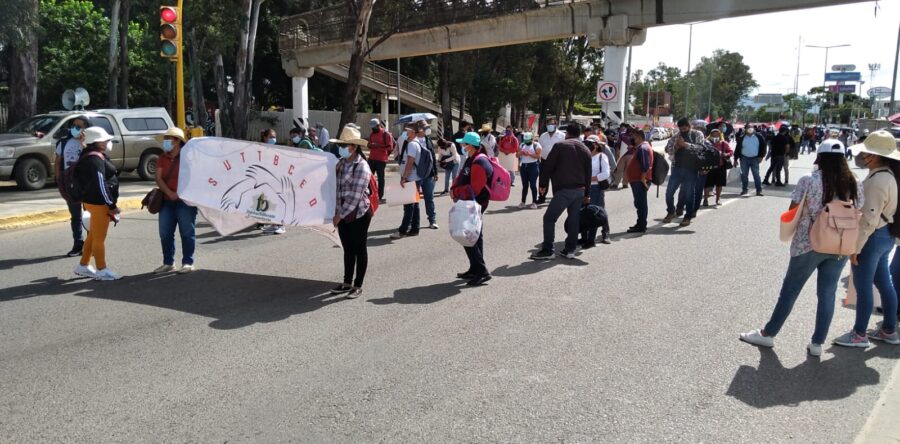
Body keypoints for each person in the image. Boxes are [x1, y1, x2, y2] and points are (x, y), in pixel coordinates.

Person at [740, 141, 863, 357]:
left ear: (820, 156)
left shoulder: (810, 179)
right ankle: (817, 343)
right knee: (827, 294)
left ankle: (768, 334)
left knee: (790, 291)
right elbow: (858, 209)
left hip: (809, 243)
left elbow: (793, 209)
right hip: (840, 245)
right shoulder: (854, 182)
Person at [834, 131, 900, 347]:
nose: (862, 156)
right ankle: (889, 329)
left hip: (871, 237)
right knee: (884, 283)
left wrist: (855, 248)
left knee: (863, 287)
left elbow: (868, 219)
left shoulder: (878, 179)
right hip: (884, 235)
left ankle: (859, 333)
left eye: (867, 152)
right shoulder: (887, 175)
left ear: (875, 156)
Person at [530, 123, 592, 260]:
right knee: (574, 219)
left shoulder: (560, 146)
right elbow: (588, 174)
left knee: (549, 218)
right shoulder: (586, 150)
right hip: (580, 190)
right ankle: (570, 250)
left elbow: (548, 167)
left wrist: (543, 184)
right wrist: (587, 194)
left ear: (567, 133)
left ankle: (548, 249)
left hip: (564, 189)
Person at [73, 127, 121, 281]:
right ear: (96, 142)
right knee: (99, 238)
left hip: (91, 202)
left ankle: (84, 265)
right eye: (104, 139)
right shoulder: (94, 159)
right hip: (99, 204)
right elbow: (101, 183)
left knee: (93, 235)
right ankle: (102, 269)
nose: (107, 142)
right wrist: (111, 206)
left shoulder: (88, 154)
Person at [330, 126, 373, 299]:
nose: (340, 148)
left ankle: (358, 285)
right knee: (348, 249)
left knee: (359, 248)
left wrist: (339, 215)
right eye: (340, 144)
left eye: (343, 145)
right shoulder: (341, 163)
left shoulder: (362, 167)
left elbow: (355, 197)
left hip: (359, 213)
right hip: (343, 212)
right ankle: (347, 282)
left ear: (353, 147)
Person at [451, 132, 494, 286]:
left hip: (474, 202)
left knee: (467, 236)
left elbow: (474, 188)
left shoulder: (479, 162)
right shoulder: (472, 158)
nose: (461, 146)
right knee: (475, 236)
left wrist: (456, 191)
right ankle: (475, 268)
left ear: (470, 145)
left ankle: (482, 272)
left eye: (464, 143)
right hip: (470, 202)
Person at [153, 127, 198, 274]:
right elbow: (158, 178)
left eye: (169, 139)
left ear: (177, 141)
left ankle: (188, 262)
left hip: (185, 201)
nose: (166, 142)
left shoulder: (189, 157)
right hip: (167, 201)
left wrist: (180, 194)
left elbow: (195, 177)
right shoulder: (162, 158)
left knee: (187, 232)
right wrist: (169, 192)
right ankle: (168, 263)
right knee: (165, 233)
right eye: (165, 139)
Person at [55, 115, 90, 256]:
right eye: (74, 125)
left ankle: (91, 243)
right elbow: (58, 162)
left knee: (89, 215)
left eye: (80, 126)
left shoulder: (90, 143)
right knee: (75, 216)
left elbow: (93, 158)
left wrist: (84, 144)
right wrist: (59, 180)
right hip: (70, 184)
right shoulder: (63, 143)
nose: (76, 128)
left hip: (87, 183)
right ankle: (78, 244)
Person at [663, 118, 707, 227]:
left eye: (685, 127)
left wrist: (686, 145)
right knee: (669, 193)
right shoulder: (676, 136)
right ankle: (670, 211)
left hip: (692, 169)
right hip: (677, 168)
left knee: (689, 194)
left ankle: (688, 216)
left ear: (690, 125)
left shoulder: (697, 134)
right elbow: (668, 149)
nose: (683, 130)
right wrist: (676, 146)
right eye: (681, 128)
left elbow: (701, 148)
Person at [391, 124, 424, 239]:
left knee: (409, 205)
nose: (406, 133)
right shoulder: (415, 143)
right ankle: (415, 228)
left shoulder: (412, 145)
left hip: (411, 178)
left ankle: (402, 231)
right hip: (415, 177)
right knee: (414, 204)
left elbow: (410, 162)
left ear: (414, 133)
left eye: (408, 131)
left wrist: (404, 177)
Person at [581, 135, 611, 247]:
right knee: (583, 211)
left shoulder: (601, 157)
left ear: (596, 145)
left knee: (595, 212)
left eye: (590, 143)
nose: (587, 145)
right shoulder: (584, 156)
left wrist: (590, 178)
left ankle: (593, 238)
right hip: (583, 187)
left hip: (595, 188)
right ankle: (584, 237)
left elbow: (605, 174)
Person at [258, 129, 287, 235]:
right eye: (270, 137)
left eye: (274, 136)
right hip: (266, 180)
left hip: (276, 179)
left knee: (278, 202)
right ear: (265, 138)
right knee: (270, 203)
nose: (273, 139)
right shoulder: (262, 149)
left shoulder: (277, 149)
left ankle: (281, 225)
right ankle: (274, 224)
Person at [625, 129, 653, 234]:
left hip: (639, 181)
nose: (632, 138)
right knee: (639, 203)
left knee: (641, 204)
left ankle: (641, 225)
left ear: (640, 136)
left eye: (634, 136)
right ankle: (640, 223)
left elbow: (645, 165)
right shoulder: (641, 147)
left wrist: (642, 179)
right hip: (637, 180)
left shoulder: (643, 148)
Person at [703, 129, 733, 207]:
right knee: (707, 184)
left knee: (719, 184)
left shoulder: (724, 143)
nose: (715, 136)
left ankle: (718, 199)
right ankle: (705, 199)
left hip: (720, 166)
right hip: (709, 167)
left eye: (717, 134)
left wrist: (726, 154)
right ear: (711, 135)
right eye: (714, 134)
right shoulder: (706, 143)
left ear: (720, 135)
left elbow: (731, 152)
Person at [735, 124, 767, 197]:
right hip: (744, 158)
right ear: (745, 129)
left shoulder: (759, 137)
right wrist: (735, 159)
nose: (750, 128)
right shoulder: (742, 137)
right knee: (744, 175)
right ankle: (744, 190)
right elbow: (737, 149)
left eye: (751, 127)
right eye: (748, 127)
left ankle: (759, 190)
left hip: (755, 159)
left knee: (756, 175)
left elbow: (763, 147)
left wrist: (761, 156)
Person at [417, 124, 439, 229]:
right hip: (415, 174)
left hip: (429, 174)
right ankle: (413, 222)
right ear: (420, 129)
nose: (428, 130)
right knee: (413, 199)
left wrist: (435, 172)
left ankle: (432, 220)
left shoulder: (428, 139)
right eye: (426, 128)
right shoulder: (411, 140)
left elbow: (433, 156)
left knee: (429, 198)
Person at [367, 119, 394, 203]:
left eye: (374, 127)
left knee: (380, 178)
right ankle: (369, 194)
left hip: (381, 160)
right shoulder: (372, 134)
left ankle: (380, 196)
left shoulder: (386, 134)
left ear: (378, 125)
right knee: (368, 177)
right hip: (371, 159)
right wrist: (370, 145)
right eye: (371, 128)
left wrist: (378, 146)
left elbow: (390, 147)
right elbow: (369, 144)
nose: (372, 129)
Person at [518, 132, 541, 209]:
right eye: (525, 141)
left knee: (533, 185)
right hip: (524, 166)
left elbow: (538, 156)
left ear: (532, 139)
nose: (526, 143)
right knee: (525, 185)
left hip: (533, 166)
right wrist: (521, 153)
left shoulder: (536, 145)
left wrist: (529, 154)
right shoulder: (522, 145)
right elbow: (516, 154)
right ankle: (523, 202)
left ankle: (534, 202)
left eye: (528, 141)